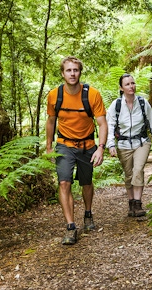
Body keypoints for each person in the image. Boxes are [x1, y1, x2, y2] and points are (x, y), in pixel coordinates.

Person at [46, 56, 108, 245]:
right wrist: (49, 147)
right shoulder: (54, 95)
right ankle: (71, 226)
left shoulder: (92, 94)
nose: (72, 74)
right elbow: (50, 121)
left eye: (76, 70)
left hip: (87, 145)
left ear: (80, 72)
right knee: (64, 183)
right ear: (62, 73)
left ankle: (88, 213)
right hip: (65, 145)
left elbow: (102, 123)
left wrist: (101, 148)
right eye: (68, 70)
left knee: (86, 183)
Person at [106, 73, 152, 218]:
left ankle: (138, 203)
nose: (131, 86)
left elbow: (151, 120)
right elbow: (110, 125)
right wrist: (110, 144)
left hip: (141, 142)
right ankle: (131, 203)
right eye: (128, 84)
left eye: (133, 83)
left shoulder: (142, 102)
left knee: (138, 170)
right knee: (129, 174)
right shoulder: (116, 105)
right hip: (123, 144)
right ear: (121, 88)